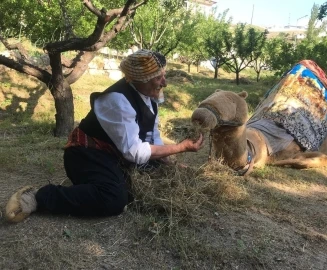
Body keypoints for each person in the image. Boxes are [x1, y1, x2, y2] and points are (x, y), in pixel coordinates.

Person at [5, 49, 204, 223]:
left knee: (158, 173)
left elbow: (152, 137)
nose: (165, 82)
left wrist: (172, 164)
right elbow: (134, 152)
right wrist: (180, 147)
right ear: (139, 79)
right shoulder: (118, 101)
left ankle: (104, 183)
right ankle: (39, 197)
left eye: (164, 75)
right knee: (114, 199)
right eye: (158, 77)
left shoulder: (150, 95)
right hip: (86, 155)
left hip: (116, 154)